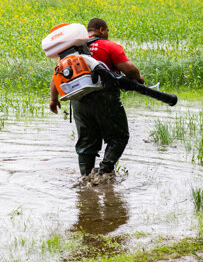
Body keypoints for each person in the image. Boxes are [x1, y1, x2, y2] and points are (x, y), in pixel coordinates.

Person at [49, 18, 144, 185]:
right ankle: (104, 171)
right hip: (105, 99)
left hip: (79, 102)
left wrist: (53, 99)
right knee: (119, 136)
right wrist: (138, 77)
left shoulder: (71, 50)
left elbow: (57, 75)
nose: (107, 34)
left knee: (86, 142)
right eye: (107, 31)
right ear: (101, 30)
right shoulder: (109, 46)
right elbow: (130, 69)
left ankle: (85, 177)